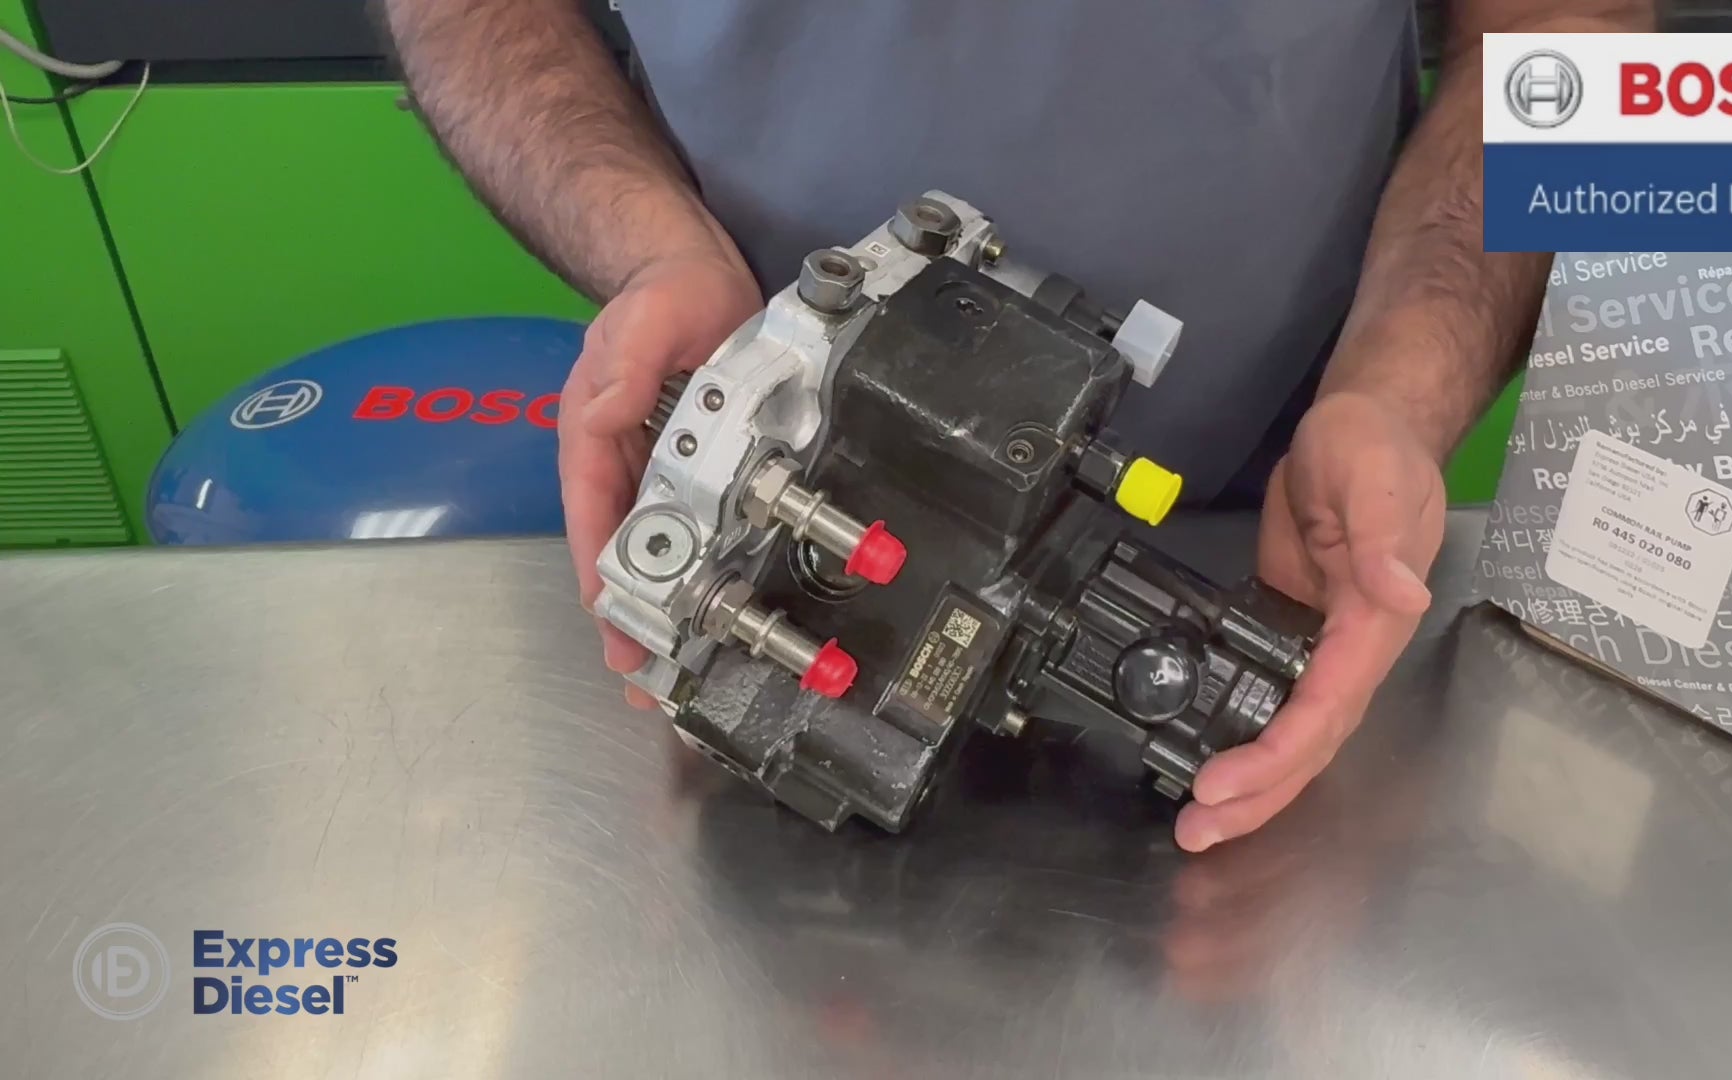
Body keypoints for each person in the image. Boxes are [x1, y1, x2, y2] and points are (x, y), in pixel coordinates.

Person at [378, 0, 1653, 852]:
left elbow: (1564, 32)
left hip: (1286, 490)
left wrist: (1398, 392)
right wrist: (657, 256)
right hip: (781, 507)